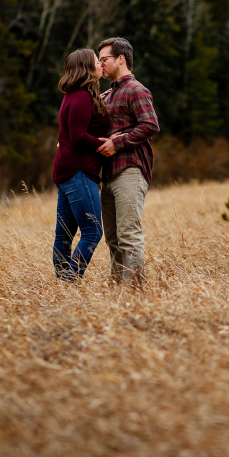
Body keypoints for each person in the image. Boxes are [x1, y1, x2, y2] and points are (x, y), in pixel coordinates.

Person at [96, 37, 160, 287]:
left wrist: (118, 142)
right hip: (107, 175)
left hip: (130, 172)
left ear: (120, 59)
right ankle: (118, 293)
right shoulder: (106, 94)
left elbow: (150, 125)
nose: (101, 64)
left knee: (128, 236)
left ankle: (134, 294)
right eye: (99, 60)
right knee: (112, 238)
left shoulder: (136, 90)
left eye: (105, 59)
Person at [52, 48, 109, 280]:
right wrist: (102, 143)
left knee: (64, 233)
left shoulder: (74, 95)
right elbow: (78, 136)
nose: (101, 64)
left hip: (67, 170)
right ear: (87, 68)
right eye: (97, 61)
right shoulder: (82, 97)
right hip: (78, 172)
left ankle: (63, 283)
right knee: (93, 232)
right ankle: (71, 279)